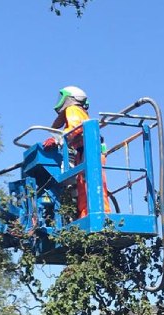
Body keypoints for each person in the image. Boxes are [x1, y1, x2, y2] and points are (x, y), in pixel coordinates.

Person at [43, 86, 110, 219]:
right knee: (83, 186)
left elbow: (74, 128)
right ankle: (85, 214)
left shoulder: (72, 109)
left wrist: (57, 140)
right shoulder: (77, 111)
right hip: (84, 151)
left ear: (70, 98)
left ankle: (103, 216)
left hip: (91, 151)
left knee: (94, 185)